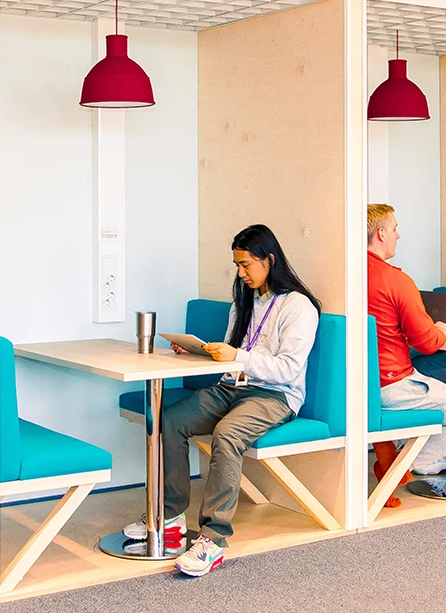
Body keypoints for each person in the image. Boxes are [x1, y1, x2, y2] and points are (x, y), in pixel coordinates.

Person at [124, 224, 321, 577]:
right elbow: (233, 357)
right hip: (232, 388)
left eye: (246, 264)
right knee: (170, 421)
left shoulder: (298, 307)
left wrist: (238, 356)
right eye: (237, 265)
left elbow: (288, 369)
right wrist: (199, 351)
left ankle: (213, 539)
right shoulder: (243, 304)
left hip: (275, 396)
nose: (240, 273)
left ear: (269, 260)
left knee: (228, 434)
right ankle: (169, 515)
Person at [365, 204, 446, 494]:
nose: (398, 235)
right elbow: (426, 341)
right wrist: (442, 330)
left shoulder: (342, 275)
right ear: (381, 233)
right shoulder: (396, 280)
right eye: (394, 228)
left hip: (355, 386)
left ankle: (400, 458)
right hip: (392, 385)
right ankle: (400, 465)